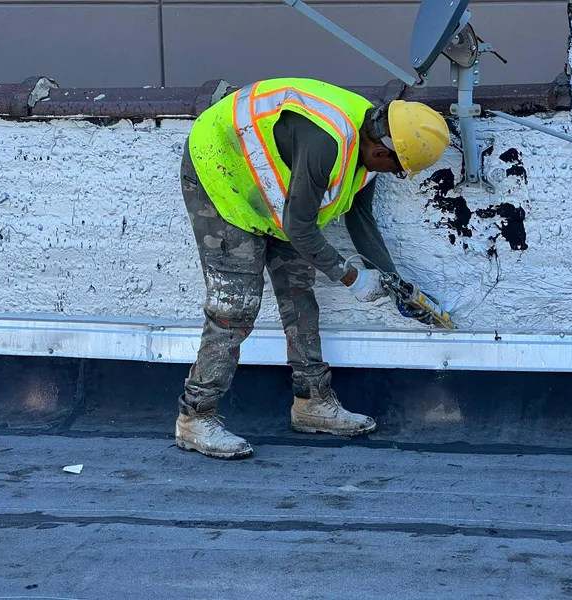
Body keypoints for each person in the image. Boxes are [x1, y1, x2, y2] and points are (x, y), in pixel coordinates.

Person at [175, 78, 450, 459]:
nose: (393, 175)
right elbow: (300, 227)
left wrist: (390, 277)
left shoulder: (372, 136)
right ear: (385, 152)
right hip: (222, 172)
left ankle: (312, 403)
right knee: (234, 308)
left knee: (299, 293)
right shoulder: (328, 141)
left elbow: (360, 215)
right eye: (398, 169)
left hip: (276, 197)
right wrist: (351, 277)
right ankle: (195, 418)